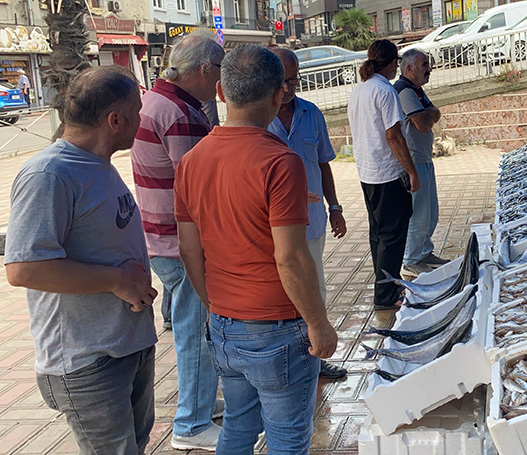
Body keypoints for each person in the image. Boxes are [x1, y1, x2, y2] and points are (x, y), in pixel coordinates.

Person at [174, 44, 338, 453]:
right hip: (278, 327)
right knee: (287, 437)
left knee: (238, 427)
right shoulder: (280, 162)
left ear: (222, 93)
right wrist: (318, 323)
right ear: (278, 94)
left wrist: (212, 306)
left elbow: (189, 251)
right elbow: (291, 257)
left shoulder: (191, 162)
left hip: (226, 324)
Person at [4, 66, 158, 454]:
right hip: (87, 360)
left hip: (127, 344)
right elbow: (24, 268)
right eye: (138, 111)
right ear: (115, 119)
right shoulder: (49, 175)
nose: (143, 119)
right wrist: (118, 280)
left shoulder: (97, 164)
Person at [129, 31, 226, 451]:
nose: (220, 82)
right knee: (196, 331)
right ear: (205, 70)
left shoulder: (158, 100)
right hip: (179, 242)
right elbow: (198, 185)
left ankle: (201, 403)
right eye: (219, 71)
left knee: (193, 327)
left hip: (159, 235)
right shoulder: (180, 112)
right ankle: (190, 423)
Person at [267, 47, 348, 380]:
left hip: (311, 223)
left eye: (294, 80)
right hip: (270, 228)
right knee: (279, 297)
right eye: (282, 81)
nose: (288, 88)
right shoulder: (256, 118)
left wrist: (335, 207)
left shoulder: (311, 113)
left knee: (314, 291)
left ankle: (315, 361)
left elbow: (324, 164)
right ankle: (285, 365)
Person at [348, 39, 421, 310]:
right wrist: (411, 171)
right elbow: (394, 136)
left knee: (379, 235)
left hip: (367, 172)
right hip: (388, 173)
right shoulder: (385, 91)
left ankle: (387, 283)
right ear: (393, 63)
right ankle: (386, 296)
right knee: (393, 235)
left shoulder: (360, 90)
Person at [395, 48, 448, 276]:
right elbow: (424, 123)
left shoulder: (417, 91)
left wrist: (431, 112)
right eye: (424, 65)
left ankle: (424, 252)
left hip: (424, 158)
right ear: (410, 69)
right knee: (419, 213)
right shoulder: (404, 91)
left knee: (431, 212)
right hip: (413, 160)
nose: (430, 69)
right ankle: (411, 259)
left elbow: (434, 113)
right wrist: (431, 113)